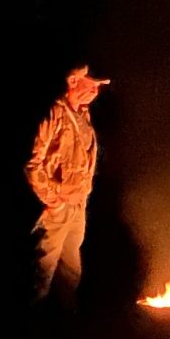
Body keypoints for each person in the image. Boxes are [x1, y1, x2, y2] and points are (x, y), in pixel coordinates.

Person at [25, 65, 111, 315]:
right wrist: (52, 199)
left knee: (70, 275)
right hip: (57, 207)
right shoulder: (54, 114)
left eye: (98, 87)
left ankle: (64, 334)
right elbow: (32, 164)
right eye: (91, 84)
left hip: (77, 206)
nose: (95, 91)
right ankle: (31, 336)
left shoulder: (84, 116)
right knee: (41, 272)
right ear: (73, 82)